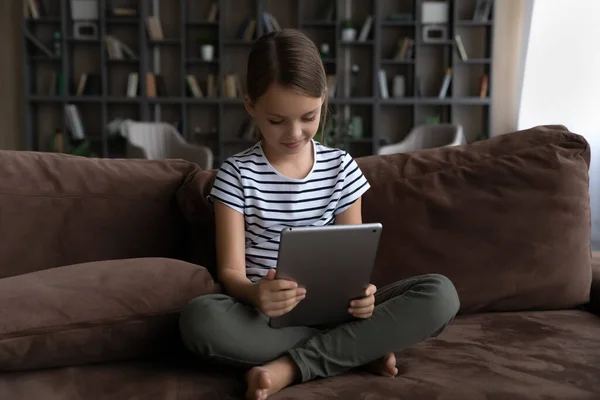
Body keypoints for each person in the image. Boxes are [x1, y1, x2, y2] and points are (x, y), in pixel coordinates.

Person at [179, 29, 460, 400]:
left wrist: (365, 296)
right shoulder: (237, 175)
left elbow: (355, 261)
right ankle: (355, 350)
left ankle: (293, 367)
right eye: (277, 120)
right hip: (265, 317)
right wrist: (256, 293)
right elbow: (230, 273)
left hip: (338, 311)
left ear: (323, 100)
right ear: (251, 106)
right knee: (200, 320)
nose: (295, 133)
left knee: (441, 294)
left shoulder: (341, 168)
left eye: (308, 116)